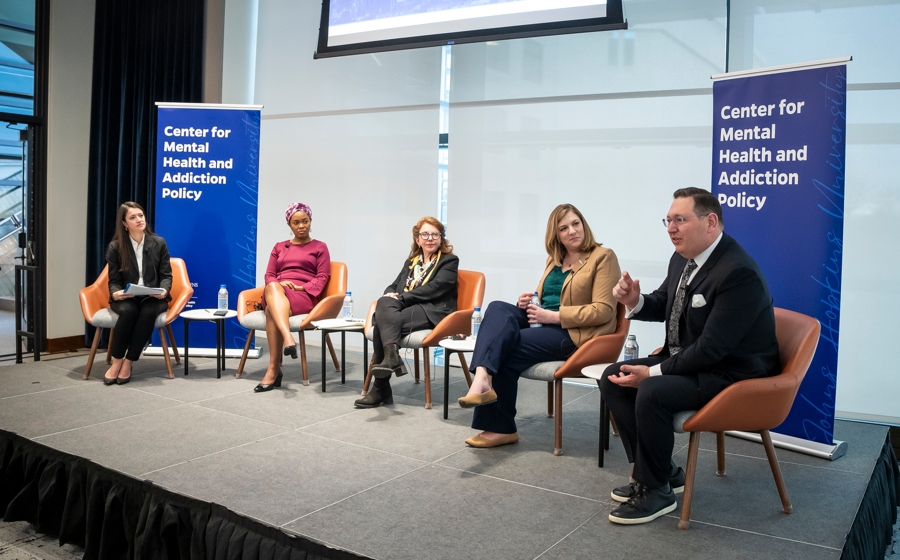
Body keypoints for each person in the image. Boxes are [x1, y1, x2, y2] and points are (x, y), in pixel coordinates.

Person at [599, 187, 780, 525]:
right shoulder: (683, 257)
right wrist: (634, 301)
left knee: (651, 391)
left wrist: (653, 374)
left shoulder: (738, 273)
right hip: (693, 361)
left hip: (731, 375)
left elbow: (713, 349)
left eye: (680, 220)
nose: (671, 228)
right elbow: (665, 304)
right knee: (613, 377)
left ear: (710, 222)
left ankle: (656, 492)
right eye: (668, 220)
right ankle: (659, 472)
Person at [459, 204, 620, 448]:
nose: (572, 231)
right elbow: (546, 297)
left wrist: (554, 317)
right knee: (497, 308)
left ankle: (500, 428)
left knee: (506, 348)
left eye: (576, 223)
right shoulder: (554, 260)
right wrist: (528, 301)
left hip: (573, 334)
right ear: (556, 235)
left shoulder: (603, 256)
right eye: (564, 228)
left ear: (583, 224)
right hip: (543, 322)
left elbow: (604, 310)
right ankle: (482, 377)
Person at [354, 217, 458, 408]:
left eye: (435, 234)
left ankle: (381, 389)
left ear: (441, 238)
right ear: (417, 239)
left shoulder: (449, 261)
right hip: (408, 307)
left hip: (433, 311)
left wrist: (400, 299)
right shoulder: (412, 261)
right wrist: (389, 293)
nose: (430, 238)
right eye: (425, 234)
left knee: (381, 325)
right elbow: (395, 284)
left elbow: (437, 287)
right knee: (385, 301)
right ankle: (391, 356)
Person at [255, 202, 331, 393]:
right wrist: (279, 284)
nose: (301, 226)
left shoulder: (320, 247)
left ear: (310, 221)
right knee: (272, 286)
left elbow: (322, 277)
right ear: (289, 225)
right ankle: (288, 338)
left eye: (305, 221)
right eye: (296, 223)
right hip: (277, 291)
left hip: (303, 294)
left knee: (270, 310)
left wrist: (300, 286)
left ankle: (273, 370)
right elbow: (269, 275)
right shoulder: (279, 247)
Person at [104, 202, 172, 385]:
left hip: (153, 296)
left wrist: (164, 290)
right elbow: (113, 280)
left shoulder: (158, 243)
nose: (139, 220)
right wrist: (116, 294)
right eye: (133, 217)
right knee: (129, 311)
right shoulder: (116, 247)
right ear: (124, 223)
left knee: (148, 312)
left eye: (140, 215)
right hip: (128, 296)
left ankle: (129, 362)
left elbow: (166, 275)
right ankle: (116, 361)